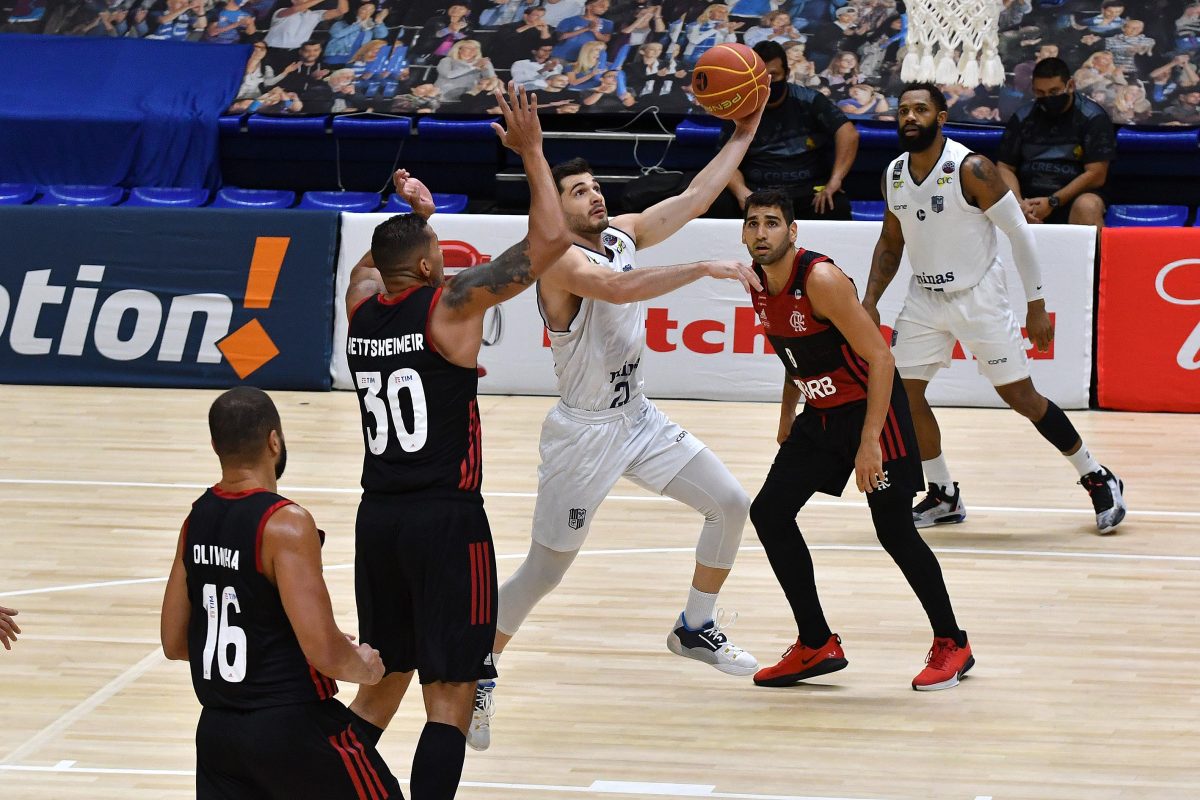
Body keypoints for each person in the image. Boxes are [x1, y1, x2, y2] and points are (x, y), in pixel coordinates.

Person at [470, 101, 769, 753]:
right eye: (578, 191)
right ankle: (477, 671)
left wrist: (743, 134)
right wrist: (702, 267)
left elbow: (693, 198)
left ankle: (695, 626)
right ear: (556, 207)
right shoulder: (557, 262)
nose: (595, 195)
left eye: (596, 185)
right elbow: (617, 290)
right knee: (544, 573)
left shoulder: (622, 236)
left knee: (729, 503)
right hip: (584, 436)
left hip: (638, 418)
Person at [342, 85, 571, 799]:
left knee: (381, 686)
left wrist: (416, 217)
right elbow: (550, 243)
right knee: (451, 697)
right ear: (428, 268)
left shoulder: (359, 310)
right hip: (445, 521)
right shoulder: (450, 305)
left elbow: (367, 268)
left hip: (378, 520)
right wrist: (532, 152)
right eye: (437, 250)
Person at [862, 83, 1127, 535]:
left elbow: (1019, 232)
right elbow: (891, 240)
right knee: (903, 397)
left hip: (978, 295)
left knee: (1021, 398)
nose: (909, 117)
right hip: (924, 298)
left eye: (920, 110)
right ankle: (943, 494)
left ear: (940, 118)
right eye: (903, 110)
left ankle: (1097, 475)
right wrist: (870, 300)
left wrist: (1036, 305)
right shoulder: (894, 173)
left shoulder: (973, 168)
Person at [739, 189, 973, 691]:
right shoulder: (757, 281)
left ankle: (953, 642)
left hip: (873, 412)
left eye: (772, 223)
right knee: (769, 513)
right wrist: (787, 414)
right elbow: (790, 350)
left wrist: (870, 442)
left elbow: (882, 358)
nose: (761, 232)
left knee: (894, 530)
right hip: (822, 414)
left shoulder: (820, 279)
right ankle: (815, 643)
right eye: (753, 223)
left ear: (792, 231)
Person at [160, 387, 402, 800]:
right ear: (274, 441)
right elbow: (324, 651)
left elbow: (175, 642)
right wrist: (365, 668)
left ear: (215, 445)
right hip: (293, 729)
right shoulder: (285, 523)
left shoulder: (196, 520)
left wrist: (271, 645)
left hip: (218, 735)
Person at [716, 40, 859, 220]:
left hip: (809, 191)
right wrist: (741, 192)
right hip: (758, 192)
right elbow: (725, 159)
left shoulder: (809, 99)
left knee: (836, 206)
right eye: (760, 76)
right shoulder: (740, 107)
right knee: (719, 204)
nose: (767, 82)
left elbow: (849, 134)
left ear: (787, 73)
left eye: (773, 75)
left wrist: (835, 179)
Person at [996, 57, 1116, 228]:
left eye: (1054, 92)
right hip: (1028, 198)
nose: (1047, 98)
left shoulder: (1093, 117)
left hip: (1074, 196)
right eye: (1040, 93)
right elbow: (1005, 167)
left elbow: (1096, 175)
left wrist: (1053, 202)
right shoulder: (1023, 116)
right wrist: (1018, 204)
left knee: (1087, 206)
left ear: (1070, 86)